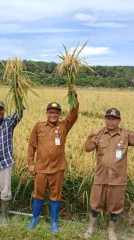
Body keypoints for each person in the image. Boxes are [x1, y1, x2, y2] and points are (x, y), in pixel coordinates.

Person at [83, 108, 134, 240]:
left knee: (115, 206)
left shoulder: (126, 135)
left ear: (119, 121)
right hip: (100, 177)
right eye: (108, 118)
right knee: (95, 203)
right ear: (105, 119)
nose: (111, 121)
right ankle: (91, 227)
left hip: (117, 179)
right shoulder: (99, 133)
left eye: (114, 119)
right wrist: (90, 136)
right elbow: (87, 148)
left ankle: (111, 230)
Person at [26, 88, 79, 234]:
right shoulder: (39, 126)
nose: (53, 114)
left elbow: (74, 115)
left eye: (56, 112)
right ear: (47, 113)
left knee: (56, 196)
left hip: (57, 169)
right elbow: (32, 145)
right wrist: (30, 163)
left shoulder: (64, 125)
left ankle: (54, 222)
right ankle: (35, 218)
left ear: (59, 114)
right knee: (38, 194)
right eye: (51, 112)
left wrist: (73, 96)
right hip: (41, 168)